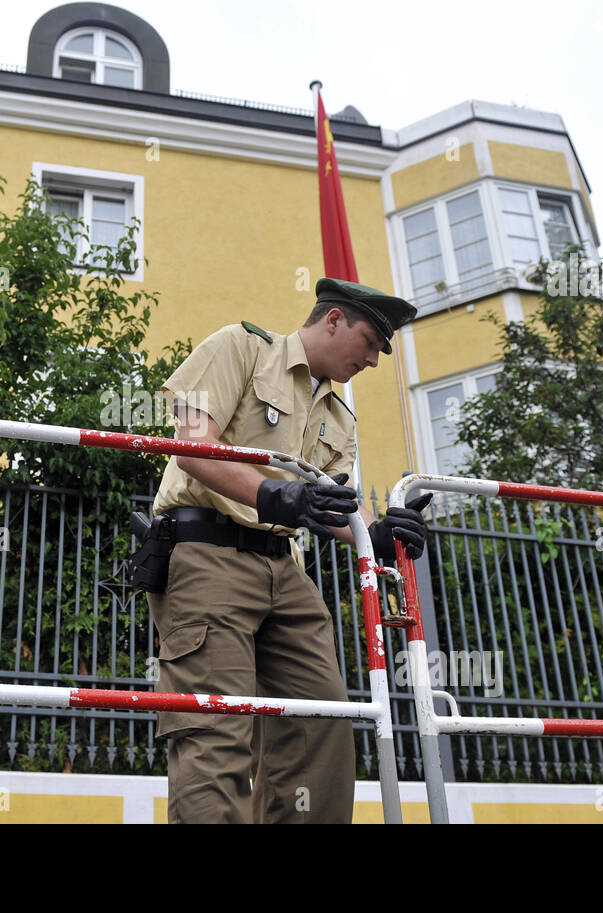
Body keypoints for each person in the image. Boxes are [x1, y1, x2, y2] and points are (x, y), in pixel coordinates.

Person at [146, 277, 432, 824]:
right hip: (208, 552)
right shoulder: (242, 348)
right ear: (332, 320)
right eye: (370, 341)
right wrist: (273, 494)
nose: (373, 360)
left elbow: (332, 508)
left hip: (285, 568)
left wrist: (379, 536)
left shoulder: (339, 418)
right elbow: (191, 448)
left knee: (321, 721)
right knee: (216, 726)